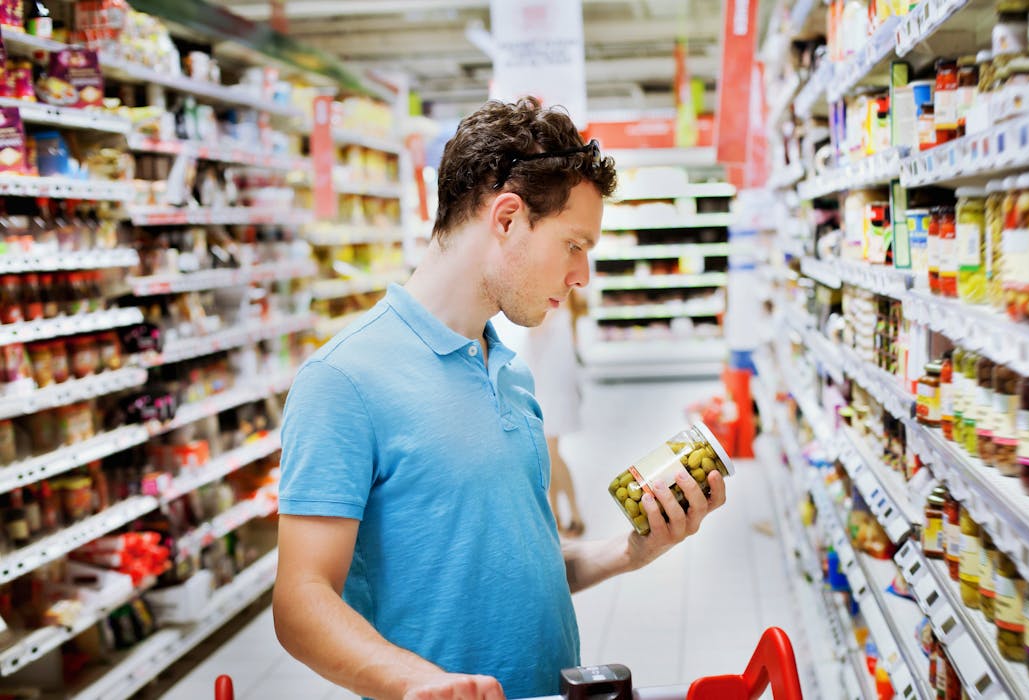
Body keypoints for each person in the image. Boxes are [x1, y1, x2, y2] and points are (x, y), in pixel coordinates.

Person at [272, 97, 727, 700]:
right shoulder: (344, 379)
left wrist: (630, 551)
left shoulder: (508, 369)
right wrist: (417, 682)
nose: (582, 274)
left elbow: (516, 565)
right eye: (573, 244)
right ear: (507, 218)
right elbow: (300, 602)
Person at [523, 290, 586, 538]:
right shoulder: (562, 300)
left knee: (550, 454)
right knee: (549, 453)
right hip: (549, 385)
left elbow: (535, 329)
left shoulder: (552, 300)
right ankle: (557, 516)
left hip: (552, 388)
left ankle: (575, 515)